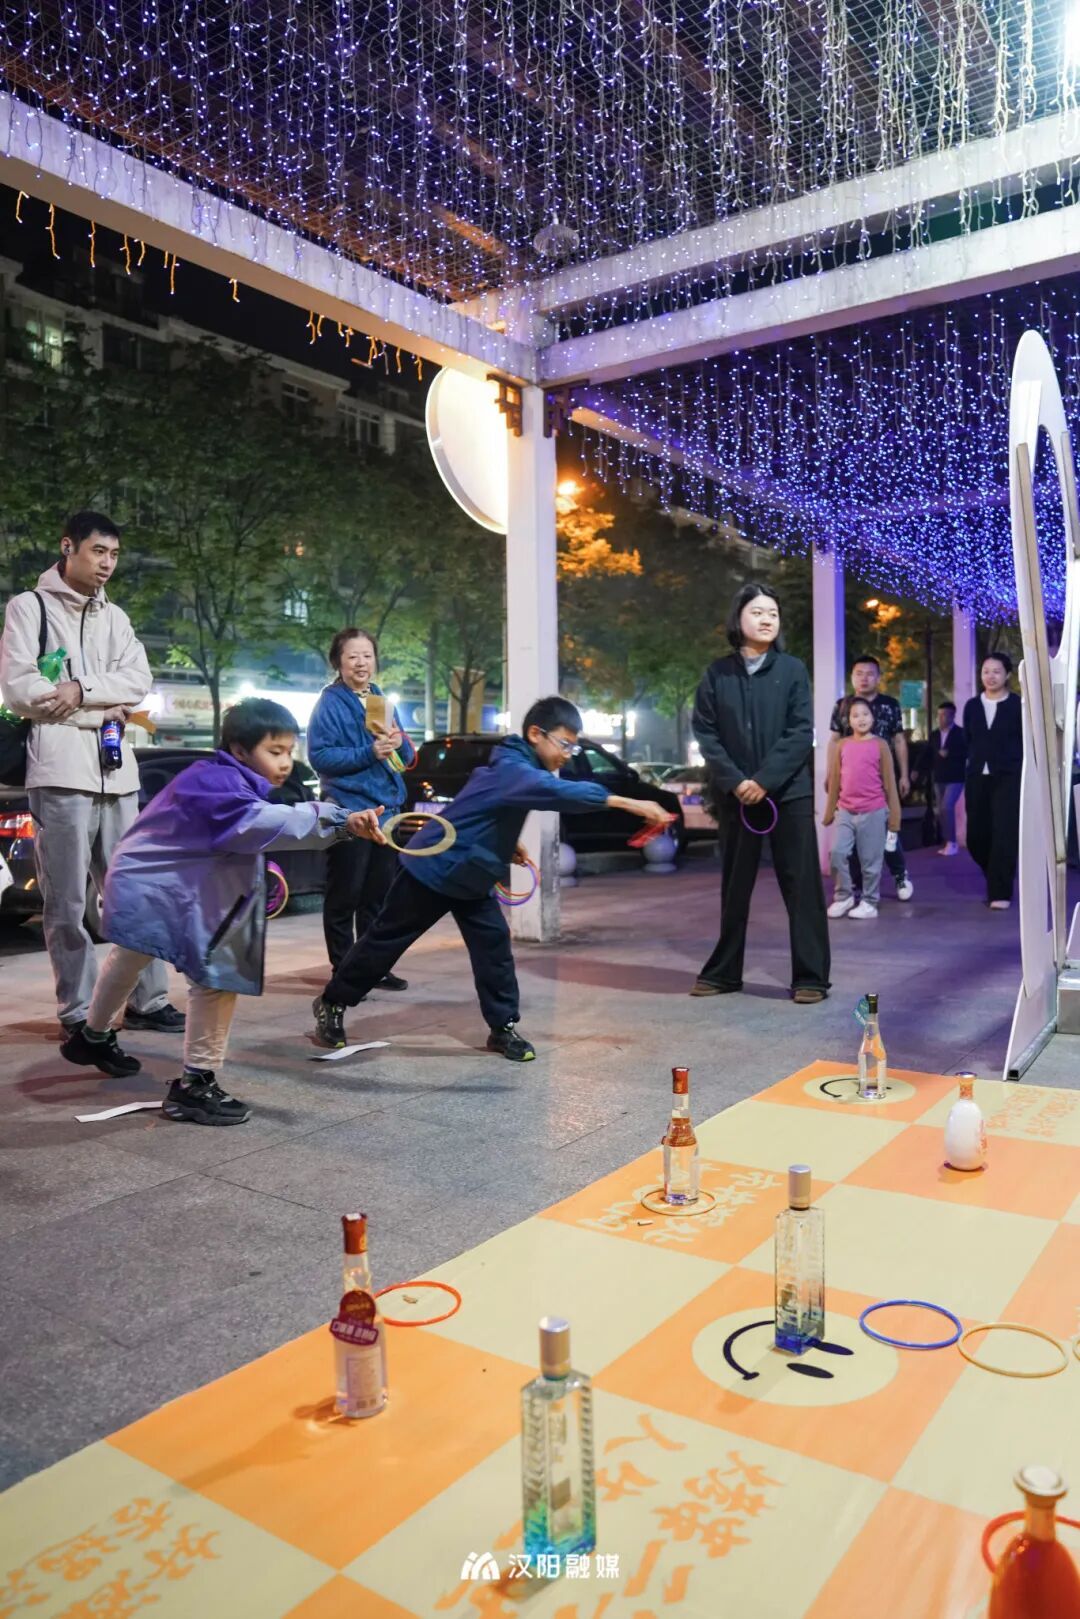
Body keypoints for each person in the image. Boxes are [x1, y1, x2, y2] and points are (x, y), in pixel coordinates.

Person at [60, 699, 385, 1123]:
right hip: (157, 887)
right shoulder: (219, 786)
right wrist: (340, 821)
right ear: (239, 750)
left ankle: (92, 1037)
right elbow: (262, 823)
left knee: (132, 956)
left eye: (290, 751)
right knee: (215, 977)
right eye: (275, 751)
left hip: (148, 882)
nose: (286, 762)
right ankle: (194, 1085)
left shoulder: (215, 776)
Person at [310, 696, 672, 1059]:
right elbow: (552, 792)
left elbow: (485, 806)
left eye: (573, 747)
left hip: (472, 873)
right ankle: (332, 1001)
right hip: (433, 867)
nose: (568, 754)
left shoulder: (517, 767)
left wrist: (506, 842)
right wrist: (629, 802)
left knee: (494, 949)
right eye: (564, 744)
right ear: (536, 734)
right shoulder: (514, 768)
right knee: (383, 943)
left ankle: (502, 1028)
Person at [0, 511, 184, 1037]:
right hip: (59, 774)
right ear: (69, 547)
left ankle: (148, 1000)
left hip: (118, 775)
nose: (107, 563)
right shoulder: (29, 608)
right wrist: (104, 708)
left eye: (114, 554)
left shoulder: (116, 618)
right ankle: (78, 1012)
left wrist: (79, 692)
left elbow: (139, 679)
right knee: (67, 903)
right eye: (98, 551)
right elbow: (20, 689)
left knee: (135, 893)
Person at [690, 582, 831, 1003]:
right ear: (738, 618)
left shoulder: (792, 670)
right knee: (735, 887)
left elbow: (800, 732)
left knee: (801, 885)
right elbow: (706, 733)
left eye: (773, 613)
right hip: (736, 796)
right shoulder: (717, 674)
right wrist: (736, 781)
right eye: (757, 612)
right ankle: (724, 973)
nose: (767, 619)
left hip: (788, 794)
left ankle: (811, 977)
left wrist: (765, 780)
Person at [307, 628, 416, 988]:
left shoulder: (380, 698)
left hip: (386, 811)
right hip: (349, 811)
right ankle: (344, 970)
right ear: (338, 662)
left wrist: (399, 743)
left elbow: (404, 757)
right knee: (345, 894)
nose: (361, 663)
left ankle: (372, 967)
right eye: (352, 656)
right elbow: (320, 757)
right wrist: (369, 752)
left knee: (378, 897)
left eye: (367, 655)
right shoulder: (329, 703)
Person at [829, 655, 914, 901]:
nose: (864, 678)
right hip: (851, 783)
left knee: (888, 829)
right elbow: (834, 741)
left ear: (878, 677)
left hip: (881, 781)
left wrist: (904, 775)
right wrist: (832, 775)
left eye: (869, 674)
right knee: (852, 832)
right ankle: (856, 883)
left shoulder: (890, 705)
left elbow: (899, 740)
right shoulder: (842, 706)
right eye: (859, 673)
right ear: (852, 677)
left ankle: (899, 875)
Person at [823, 697, 901, 919]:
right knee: (837, 853)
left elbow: (889, 782)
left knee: (870, 862)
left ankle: (869, 902)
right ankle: (844, 896)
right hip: (846, 811)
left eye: (865, 714)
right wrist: (830, 812)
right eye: (855, 715)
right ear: (848, 720)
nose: (861, 719)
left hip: (873, 811)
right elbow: (835, 780)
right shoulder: (842, 745)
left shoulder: (880, 745)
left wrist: (894, 821)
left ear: (873, 718)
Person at [963, 653, 1023, 909]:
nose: (990, 676)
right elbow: (969, 740)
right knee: (976, 837)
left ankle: (1000, 891)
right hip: (977, 777)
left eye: (996, 671)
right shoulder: (972, 706)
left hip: (1008, 777)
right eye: (986, 671)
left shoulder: (1017, 705)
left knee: (1004, 834)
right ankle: (996, 875)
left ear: (1007, 675)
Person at [929, 700, 968, 855]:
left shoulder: (961, 733)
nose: (940, 718)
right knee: (941, 811)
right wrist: (916, 770)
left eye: (944, 715)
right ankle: (947, 841)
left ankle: (952, 842)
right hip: (939, 777)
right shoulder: (934, 735)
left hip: (956, 778)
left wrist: (949, 754)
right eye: (939, 715)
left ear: (952, 716)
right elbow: (927, 753)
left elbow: (967, 753)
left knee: (947, 806)